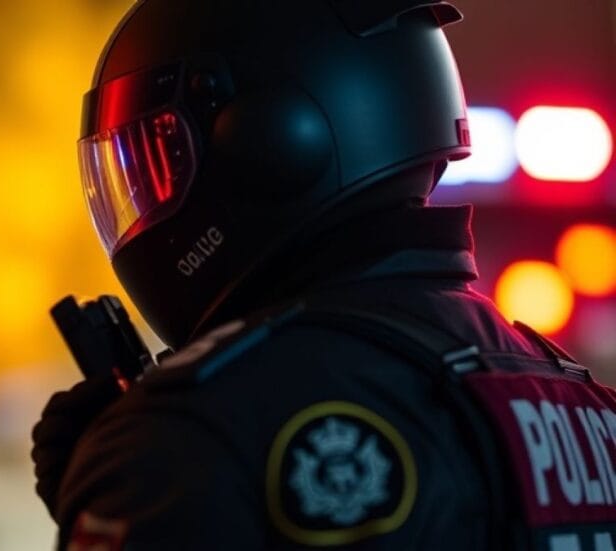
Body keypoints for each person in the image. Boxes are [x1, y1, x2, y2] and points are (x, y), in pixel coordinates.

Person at [32, 1, 616, 549]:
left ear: (273, 140)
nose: (140, 198)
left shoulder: (200, 430)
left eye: (160, 159)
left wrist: (132, 477)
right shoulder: (587, 408)